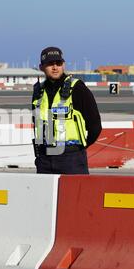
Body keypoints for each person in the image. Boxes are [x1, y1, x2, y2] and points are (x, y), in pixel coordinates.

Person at [32, 46, 102, 174]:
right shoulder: (38, 91)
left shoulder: (77, 88)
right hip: (44, 158)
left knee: (76, 194)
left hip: (71, 157)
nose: (55, 67)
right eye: (50, 64)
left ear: (63, 65)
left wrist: (80, 147)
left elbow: (95, 125)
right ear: (41, 67)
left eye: (58, 63)